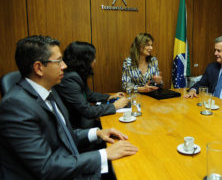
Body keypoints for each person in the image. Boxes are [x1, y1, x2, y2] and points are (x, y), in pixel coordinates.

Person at [0, 35, 138, 180]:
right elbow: (46, 168)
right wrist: (103, 154)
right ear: (39, 68)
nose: (65, 66)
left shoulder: (49, 90)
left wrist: (96, 133)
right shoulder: (16, 106)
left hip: (70, 165)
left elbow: (64, 135)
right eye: (59, 61)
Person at [55, 41, 129, 129]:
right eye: (92, 58)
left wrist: (109, 97)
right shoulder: (69, 79)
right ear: (83, 60)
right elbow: (87, 110)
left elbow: (89, 95)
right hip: (77, 128)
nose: (95, 61)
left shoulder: (77, 73)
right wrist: (115, 106)